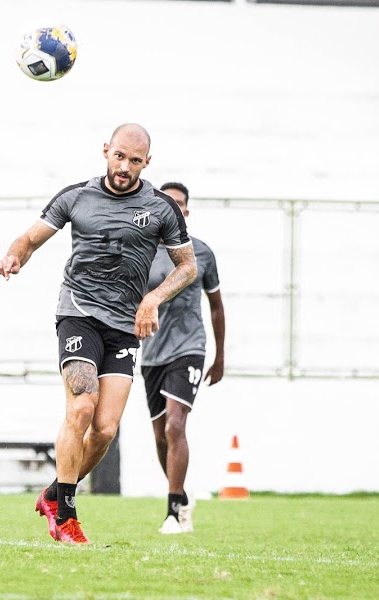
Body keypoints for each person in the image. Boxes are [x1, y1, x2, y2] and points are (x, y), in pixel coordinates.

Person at [0, 123, 197, 544]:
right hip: (79, 313)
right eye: (119, 156)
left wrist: (151, 299)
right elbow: (29, 240)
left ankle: (54, 492)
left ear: (147, 162)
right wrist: (14, 257)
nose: (124, 167)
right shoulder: (76, 197)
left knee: (105, 428)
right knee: (81, 409)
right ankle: (67, 513)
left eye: (135, 161)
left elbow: (187, 266)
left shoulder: (162, 208)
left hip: (123, 327)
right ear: (106, 150)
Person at [139, 182, 225, 535]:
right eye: (166, 203)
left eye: (179, 204)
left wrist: (219, 357)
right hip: (151, 353)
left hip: (189, 347)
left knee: (176, 425)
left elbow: (217, 307)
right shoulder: (141, 252)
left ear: (186, 211)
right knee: (161, 436)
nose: (173, 208)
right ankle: (182, 494)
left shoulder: (201, 253)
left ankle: (173, 511)